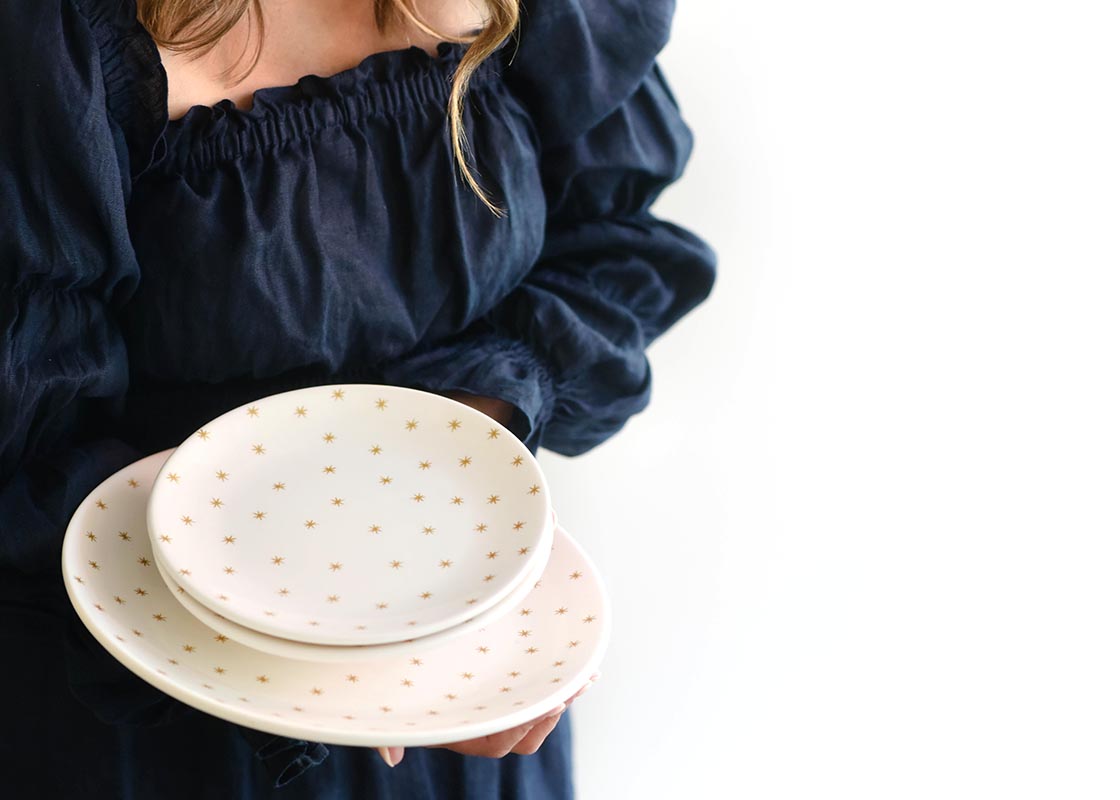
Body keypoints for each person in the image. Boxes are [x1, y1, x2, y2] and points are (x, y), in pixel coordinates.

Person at [0, 0, 716, 796]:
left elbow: (613, 243)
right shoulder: (48, 40)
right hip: (149, 716)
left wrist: (461, 446)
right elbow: (27, 440)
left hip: (454, 668)